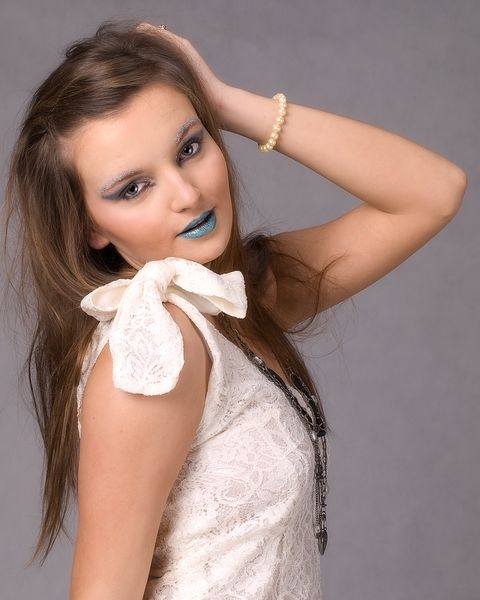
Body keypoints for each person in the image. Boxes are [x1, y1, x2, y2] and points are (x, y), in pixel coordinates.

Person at [4, 21, 466, 600]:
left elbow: (433, 192)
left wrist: (225, 102)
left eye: (189, 148)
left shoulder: (240, 294)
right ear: (89, 228)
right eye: (133, 188)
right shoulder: (155, 349)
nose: (187, 194)